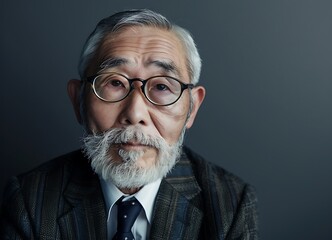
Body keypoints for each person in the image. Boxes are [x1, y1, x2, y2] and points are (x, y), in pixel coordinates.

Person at [0, 9, 258, 239]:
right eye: (114, 83)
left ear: (192, 108)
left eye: (161, 86)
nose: (135, 114)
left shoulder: (230, 204)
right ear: (78, 100)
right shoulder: (29, 199)